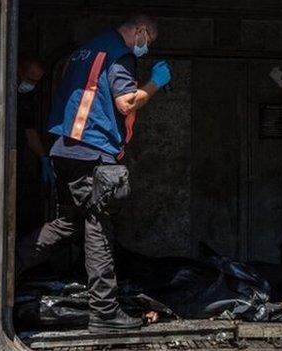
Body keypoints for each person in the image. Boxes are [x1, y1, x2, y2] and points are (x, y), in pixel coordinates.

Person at [15, 14, 171, 333]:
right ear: (139, 31)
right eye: (148, 40)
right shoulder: (119, 55)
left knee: (67, 223)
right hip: (92, 151)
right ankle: (105, 312)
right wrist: (156, 82)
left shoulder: (87, 50)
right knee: (98, 225)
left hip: (66, 149)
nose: (146, 46)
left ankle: (3, 269)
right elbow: (126, 103)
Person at [16, 55, 54, 234]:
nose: (32, 85)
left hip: (19, 158)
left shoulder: (26, 98)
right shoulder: (4, 90)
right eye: (30, 79)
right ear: (20, 71)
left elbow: (29, 132)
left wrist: (43, 158)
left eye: (36, 81)